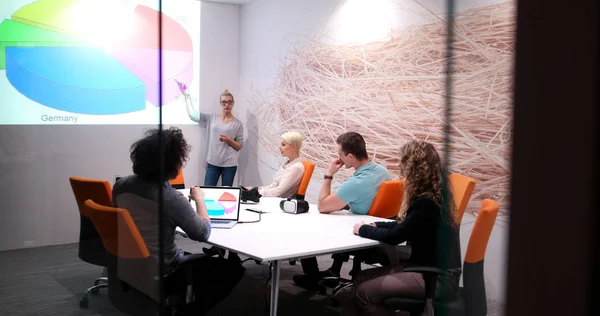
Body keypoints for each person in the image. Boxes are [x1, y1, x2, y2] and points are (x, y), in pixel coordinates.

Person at [112, 127, 244, 315]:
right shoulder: (170, 198)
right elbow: (202, 232)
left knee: (201, 258)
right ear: (174, 164)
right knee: (233, 269)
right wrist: (199, 199)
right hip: (164, 271)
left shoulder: (121, 185)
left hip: (129, 265)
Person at [340, 140, 462, 316]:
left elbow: (395, 237)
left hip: (439, 278)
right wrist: (377, 224)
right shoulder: (433, 195)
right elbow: (405, 225)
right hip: (425, 266)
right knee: (360, 278)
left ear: (412, 168)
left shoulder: (426, 202)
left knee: (364, 293)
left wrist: (363, 230)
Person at [292, 132, 392, 290]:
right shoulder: (382, 171)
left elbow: (323, 206)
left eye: (340, 154)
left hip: (360, 234)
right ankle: (334, 271)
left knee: (308, 225)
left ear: (350, 156)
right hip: (376, 226)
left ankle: (312, 277)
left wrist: (329, 174)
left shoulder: (355, 183)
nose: (338, 158)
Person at [183, 86, 244, 187]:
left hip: (229, 164)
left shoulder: (237, 124)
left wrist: (228, 140)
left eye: (229, 102)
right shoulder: (212, 118)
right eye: (224, 102)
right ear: (220, 104)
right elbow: (192, 115)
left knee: (226, 194)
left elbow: (240, 146)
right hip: (213, 162)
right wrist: (187, 95)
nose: (226, 104)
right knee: (207, 192)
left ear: (233, 103)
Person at [244, 131, 305, 198]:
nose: (280, 147)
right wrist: (257, 189)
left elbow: (278, 192)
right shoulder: (287, 164)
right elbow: (274, 185)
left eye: (283, 145)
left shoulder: (296, 168)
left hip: (280, 203)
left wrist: (256, 191)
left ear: (293, 147)